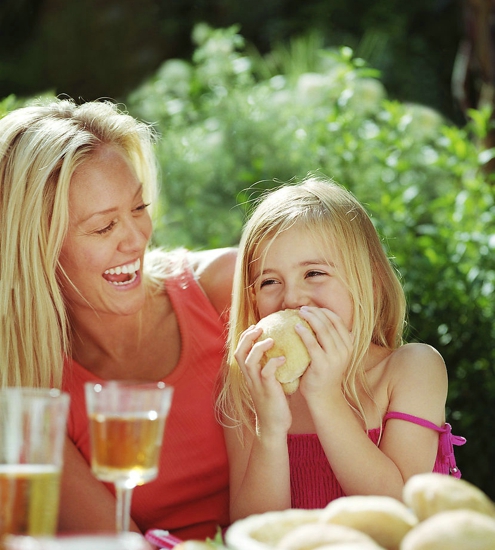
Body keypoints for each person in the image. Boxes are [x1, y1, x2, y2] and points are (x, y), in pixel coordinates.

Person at [0, 98, 236, 540]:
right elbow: (117, 543)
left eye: (139, 208)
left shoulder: (228, 290)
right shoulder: (31, 384)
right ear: (37, 251)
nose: (136, 239)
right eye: (103, 227)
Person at [217, 176, 465, 521]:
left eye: (314, 273)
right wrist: (270, 430)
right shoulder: (250, 388)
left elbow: (400, 513)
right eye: (269, 281)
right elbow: (251, 531)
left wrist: (326, 398)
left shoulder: (413, 369)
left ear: (371, 281)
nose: (291, 298)